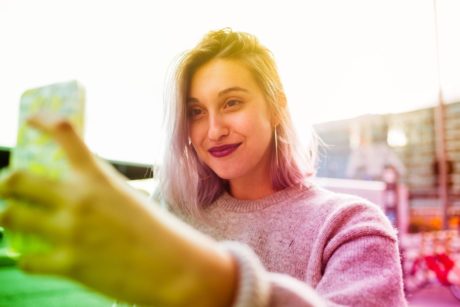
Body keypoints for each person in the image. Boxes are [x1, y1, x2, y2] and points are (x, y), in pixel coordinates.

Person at [0, 28, 407, 306]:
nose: (213, 130)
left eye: (231, 102)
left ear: (277, 104)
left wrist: (212, 281)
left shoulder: (350, 227)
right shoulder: (171, 210)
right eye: (195, 111)